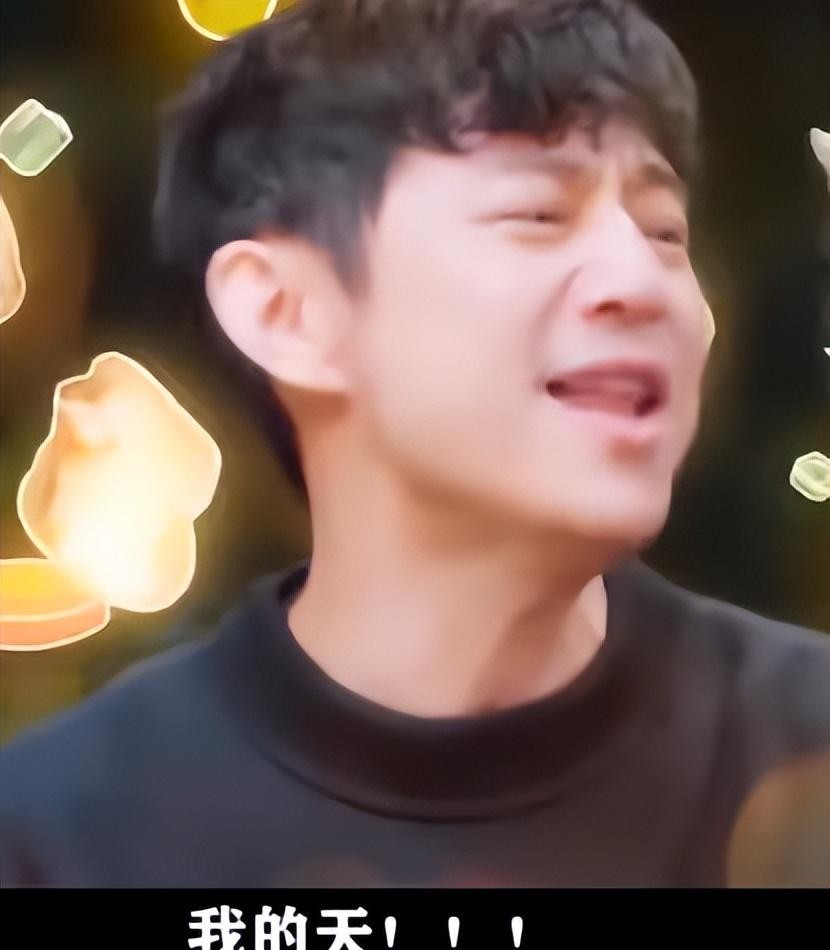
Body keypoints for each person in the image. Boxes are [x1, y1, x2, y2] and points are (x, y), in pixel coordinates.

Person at [1, 0, 828, 888]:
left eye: (665, 232)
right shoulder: (65, 832)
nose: (645, 283)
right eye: (538, 214)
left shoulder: (801, 737)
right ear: (286, 310)